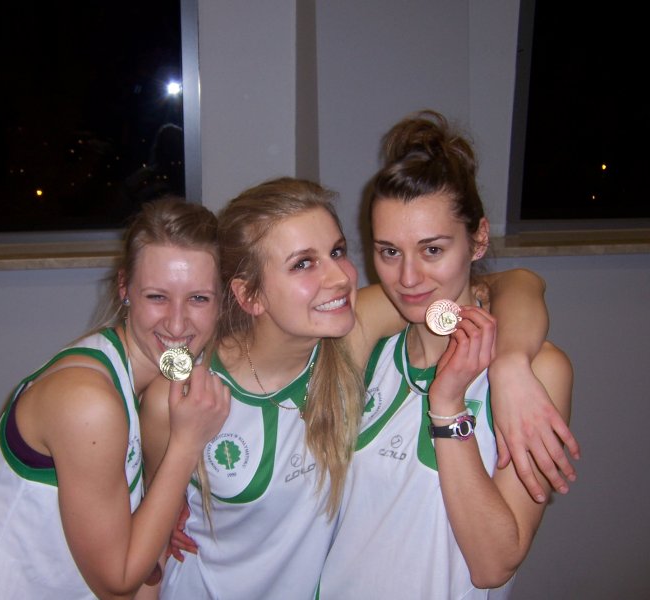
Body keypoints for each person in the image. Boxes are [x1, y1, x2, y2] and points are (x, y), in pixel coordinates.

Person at [141, 177, 572, 600]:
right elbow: (150, 551)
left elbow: (509, 281)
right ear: (250, 296)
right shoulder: (181, 398)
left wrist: (512, 363)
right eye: (303, 263)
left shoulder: (348, 343)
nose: (340, 278)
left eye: (337, 252)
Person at [317, 110, 573, 598]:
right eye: (389, 252)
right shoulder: (365, 345)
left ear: (478, 240)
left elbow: (494, 564)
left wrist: (450, 406)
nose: (408, 278)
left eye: (432, 250)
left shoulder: (538, 372)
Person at [0, 198, 230, 600]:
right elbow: (118, 582)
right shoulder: (88, 402)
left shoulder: (144, 381)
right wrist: (186, 446)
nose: (176, 322)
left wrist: (159, 517)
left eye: (198, 299)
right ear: (124, 289)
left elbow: (141, 567)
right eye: (157, 297)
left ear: (221, 302)